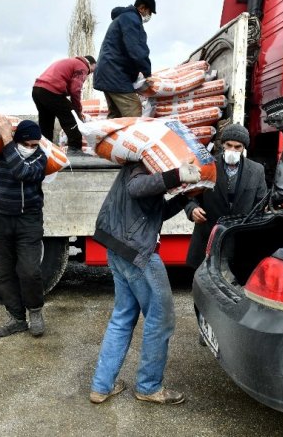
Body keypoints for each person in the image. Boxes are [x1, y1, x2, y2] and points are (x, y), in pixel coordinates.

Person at [89, 160, 201, 405]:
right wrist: (177, 174)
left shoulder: (139, 164)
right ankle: (149, 386)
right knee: (160, 319)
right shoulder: (144, 164)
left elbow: (154, 210)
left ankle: (101, 386)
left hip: (118, 247)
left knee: (122, 316)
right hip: (138, 253)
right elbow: (136, 188)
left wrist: (184, 197)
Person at [0, 115, 49, 338]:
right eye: (27, 144)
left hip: (29, 221)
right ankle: (16, 318)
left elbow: (21, 171)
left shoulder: (40, 159)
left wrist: (6, 139)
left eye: (35, 144)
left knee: (29, 271)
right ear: (19, 141)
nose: (31, 148)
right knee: (3, 272)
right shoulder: (1, 154)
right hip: (0, 219)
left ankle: (35, 311)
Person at [184, 124, 267, 269]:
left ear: (244, 148)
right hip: (208, 236)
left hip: (239, 240)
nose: (232, 150)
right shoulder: (207, 165)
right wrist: (193, 209)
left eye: (237, 147)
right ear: (222, 144)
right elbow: (190, 196)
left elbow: (260, 203)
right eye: (229, 145)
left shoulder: (256, 170)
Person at [93, 0, 156, 119]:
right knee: (134, 108)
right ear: (142, 8)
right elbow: (136, 49)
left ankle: (108, 139)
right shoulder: (131, 20)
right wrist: (147, 73)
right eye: (149, 12)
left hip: (108, 72)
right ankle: (132, 139)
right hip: (115, 73)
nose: (148, 16)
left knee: (116, 115)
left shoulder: (123, 18)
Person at [33, 55, 97, 156]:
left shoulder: (69, 62)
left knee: (46, 122)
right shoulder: (82, 66)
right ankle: (75, 149)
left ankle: (44, 151)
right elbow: (75, 90)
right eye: (94, 69)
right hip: (51, 91)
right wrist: (77, 110)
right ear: (91, 64)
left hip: (38, 90)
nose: (91, 73)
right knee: (71, 119)